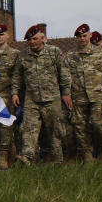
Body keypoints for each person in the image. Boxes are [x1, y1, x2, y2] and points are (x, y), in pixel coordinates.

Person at [11, 25, 71, 164]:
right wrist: (15, 92)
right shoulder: (23, 55)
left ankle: (57, 161)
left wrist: (66, 93)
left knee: (54, 132)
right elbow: (17, 76)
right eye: (29, 40)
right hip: (32, 99)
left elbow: (64, 73)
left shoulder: (54, 52)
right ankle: (26, 158)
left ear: (42, 39)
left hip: (52, 99)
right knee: (28, 129)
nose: (32, 42)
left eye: (35, 39)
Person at [66, 23, 102, 162]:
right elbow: (66, 78)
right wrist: (67, 95)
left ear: (90, 35)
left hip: (98, 95)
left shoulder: (101, 53)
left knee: (97, 122)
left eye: (84, 35)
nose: (82, 39)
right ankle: (88, 156)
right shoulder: (70, 56)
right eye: (79, 36)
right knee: (80, 128)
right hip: (78, 97)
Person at [0, 24, 19, 169]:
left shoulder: (15, 54)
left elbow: (16, 76)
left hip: (7, 95)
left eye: (2, 34)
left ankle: (4, 155)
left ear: (8, 36)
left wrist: (15, 93)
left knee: (5, 126)